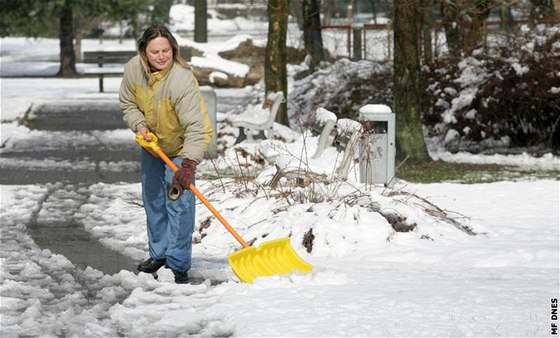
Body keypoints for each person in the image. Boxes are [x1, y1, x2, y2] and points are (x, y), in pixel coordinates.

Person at [119, 25, 213, 284]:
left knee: (180, 207)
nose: (161, 56)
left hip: (183, 148)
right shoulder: (132, 70)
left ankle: (178, 264)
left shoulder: (181, 78)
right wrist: (140, 125)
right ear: (143, 52)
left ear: (173, 49)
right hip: (152, 146)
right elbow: (128, 104)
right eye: (155, 51)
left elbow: (197, 126)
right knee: (154, 203)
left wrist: (189, 165)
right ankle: (159, 255)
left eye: (166, 50)